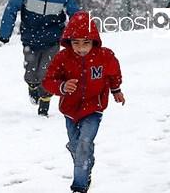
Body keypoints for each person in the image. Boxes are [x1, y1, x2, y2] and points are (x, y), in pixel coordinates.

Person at [42, 11, 125, 193]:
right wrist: (62, 86)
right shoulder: (62, 58)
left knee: (84, 142)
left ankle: (79, 186)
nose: (81, 48)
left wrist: (116, 89)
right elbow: (48, 81)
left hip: (93, 108)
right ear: (69, 42)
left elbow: (113, 73)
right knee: (75, 145)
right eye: (76, 43)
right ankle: (86, 163)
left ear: (94, 41)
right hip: (70, 110)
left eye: (86, 43)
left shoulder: (104, 56)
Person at [0, 0, 79, 117]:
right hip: (30, 38)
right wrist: (5, 32)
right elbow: (11, 8)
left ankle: (45, 103)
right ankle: (32, 87)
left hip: (52, 40)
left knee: (47, 73)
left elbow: (76, 15)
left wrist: (78, 35)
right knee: (31, 72)